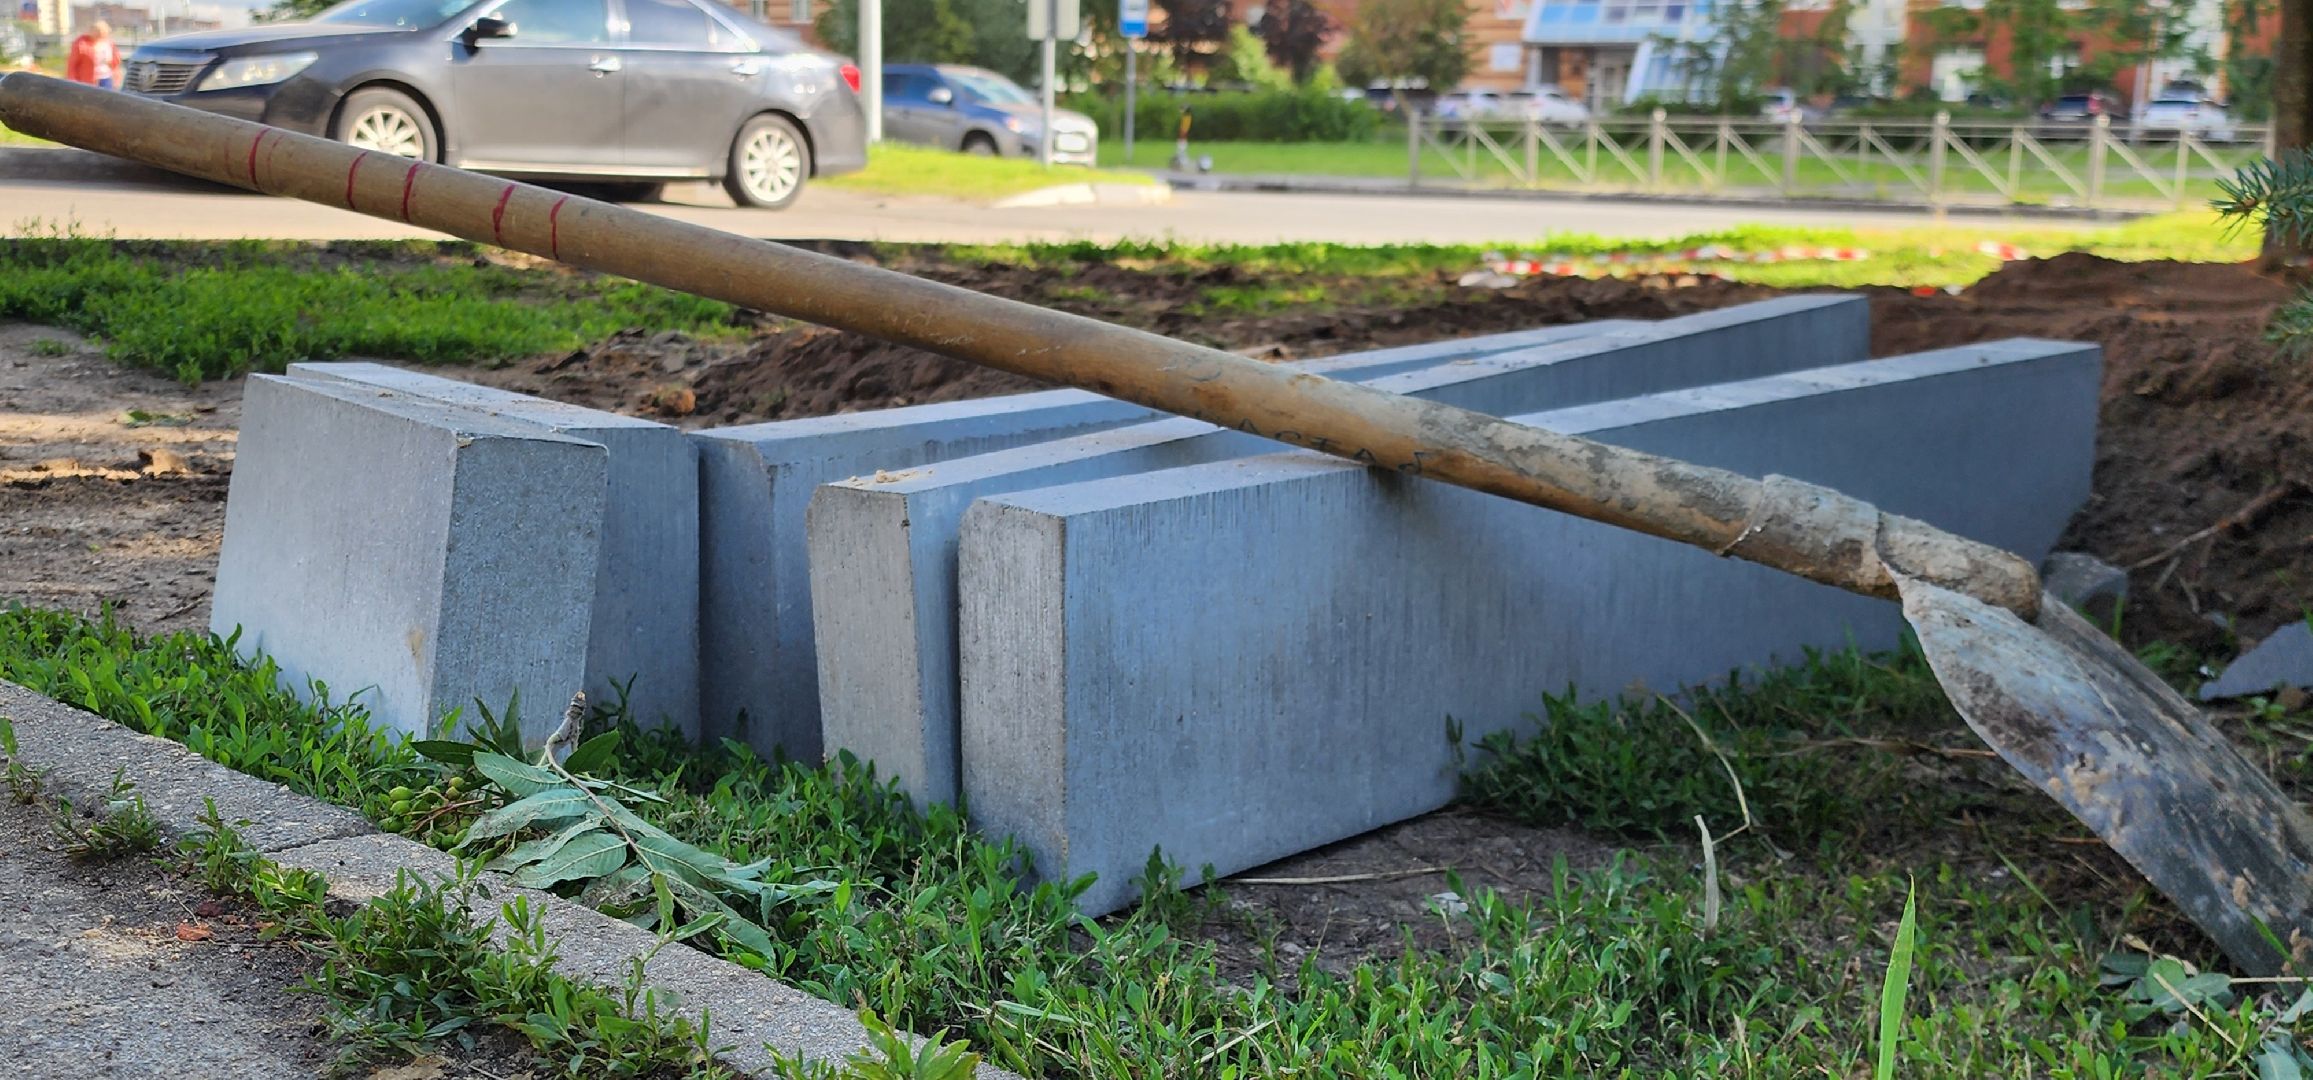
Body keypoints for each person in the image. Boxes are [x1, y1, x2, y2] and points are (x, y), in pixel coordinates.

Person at [67, 21, 120, 89]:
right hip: (88, 79)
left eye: (103, 33)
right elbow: (72, 64)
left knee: (107, 95)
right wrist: (73, 80)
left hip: (106, 77)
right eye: (98, 32)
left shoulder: (109, 43)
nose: (100, 35)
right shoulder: (81, 44)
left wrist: (116, 78)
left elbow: (115, 63)